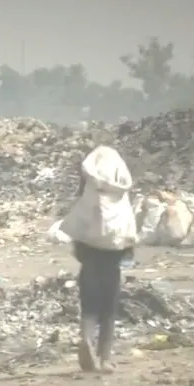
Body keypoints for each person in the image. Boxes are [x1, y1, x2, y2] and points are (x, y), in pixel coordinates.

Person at [59, 146, 138, 373]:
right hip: (112, 260)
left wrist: (82, 252)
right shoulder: (120, 196)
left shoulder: (88, 198)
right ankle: (105, 359)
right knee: (109, 309)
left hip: (90, 259)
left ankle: (86, 339)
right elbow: (127, 232)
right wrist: (127, 252)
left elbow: (77, 234)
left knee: (89, 306)